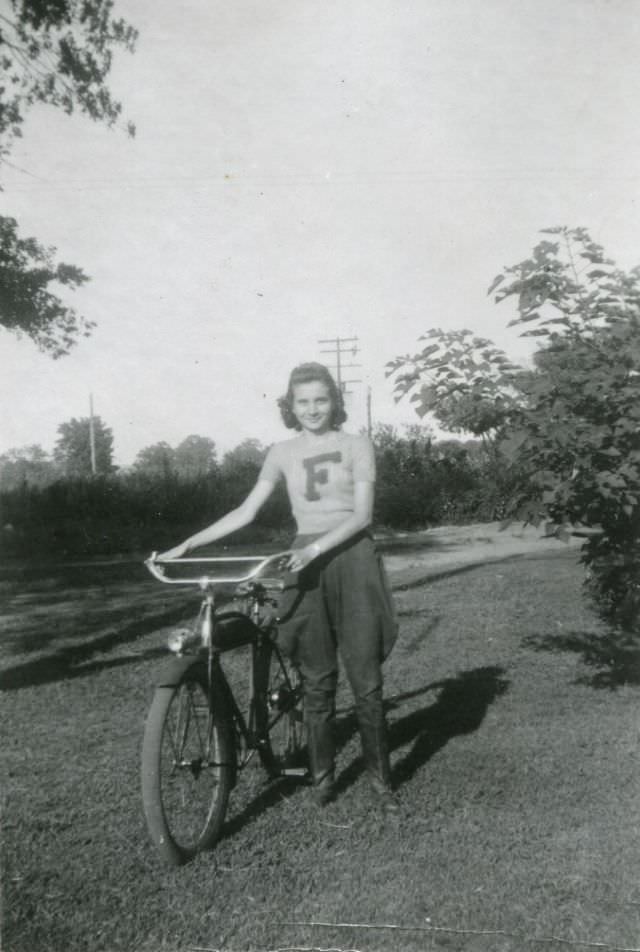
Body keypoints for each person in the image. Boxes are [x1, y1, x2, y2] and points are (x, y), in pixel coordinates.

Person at [159, 362, 398, 813]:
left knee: (365, 677)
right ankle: (324, 780)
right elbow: (247, 511)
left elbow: (362, 516)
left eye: (321, 400)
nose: (312, 409)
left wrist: (313, 551)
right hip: (304, 560)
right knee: (316, 676)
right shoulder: (281, 451)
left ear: (335, 401)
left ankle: (381, 782)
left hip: (352, 557)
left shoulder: (357, 444)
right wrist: (186, 543)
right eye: (303, 402)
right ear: (290, 406)